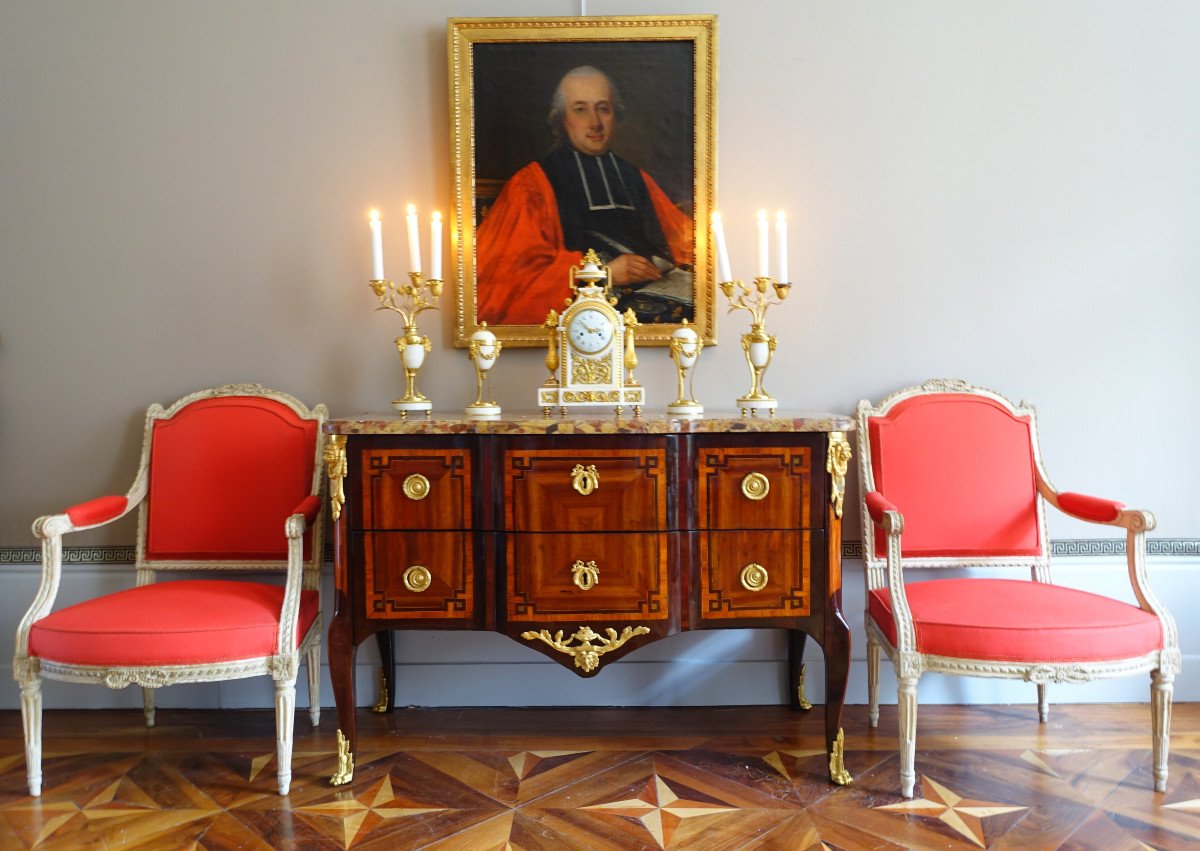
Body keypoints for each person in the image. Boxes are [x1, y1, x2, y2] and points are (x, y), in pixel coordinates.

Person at [476, 66, 694, 326]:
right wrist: (603, 274)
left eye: (603, 108)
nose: (595, 123)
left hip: (653, 294)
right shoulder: (532, 184)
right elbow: (506, 280)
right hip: (583, 309)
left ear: (615, 115)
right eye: (581, 109)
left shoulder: (636, 177)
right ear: (561, 118)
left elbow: (684, 240)